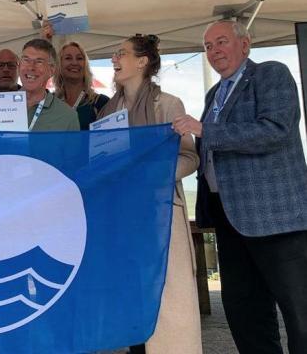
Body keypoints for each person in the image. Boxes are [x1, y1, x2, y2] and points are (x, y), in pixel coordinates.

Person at [173, 19, 307, 354]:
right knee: (244, 312)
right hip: (229, 220)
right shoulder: (214, 93)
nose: (214, 51)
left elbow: (275, 130)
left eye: (221, 42)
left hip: (276, 219)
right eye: (207, 46)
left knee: (300, 312)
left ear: (244, 45)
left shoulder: (270, 75)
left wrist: (205, 130)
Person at [97, 34, 202, 354]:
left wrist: (151, 176)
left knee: (166, 306)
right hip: (120, 218)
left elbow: (190, 157)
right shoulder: (106, 112)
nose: (114, 59)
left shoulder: (168, 104)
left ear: (142, 61)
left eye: (121, 53)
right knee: (130, 301)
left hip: (159, 218)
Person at [41, 22, 110, 130]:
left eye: (79, 58)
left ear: (85, 65)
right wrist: (46, 42)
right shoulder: (50, 101)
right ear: (59, 64)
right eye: (68, 58)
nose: (74, 63)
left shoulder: (101, 102)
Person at [19, 38, 80, 131]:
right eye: (26, 60)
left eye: (39, 62)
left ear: (51, 70)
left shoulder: (67, 116)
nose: (31, 67)